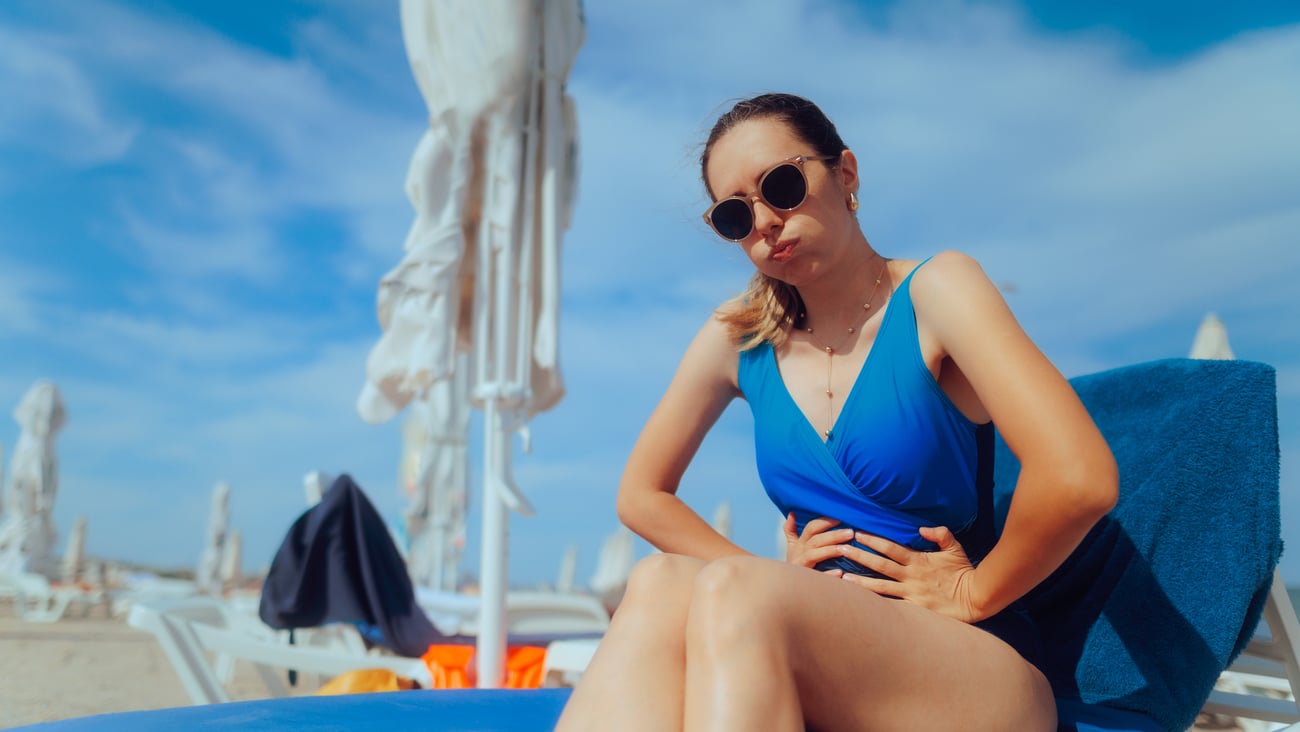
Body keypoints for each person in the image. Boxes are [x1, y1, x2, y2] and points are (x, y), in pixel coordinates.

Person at [554, 93, 1117, 731]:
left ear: (845, 174)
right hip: (802, 633)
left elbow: (1079, 477)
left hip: (967, 662)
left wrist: (973, 591)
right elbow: (641, 495)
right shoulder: (739, 338)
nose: (764, 220)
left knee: (734, 590)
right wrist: (768, 576)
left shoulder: (938, 292)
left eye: (782, 185)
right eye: (736, 215)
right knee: (659, 582)